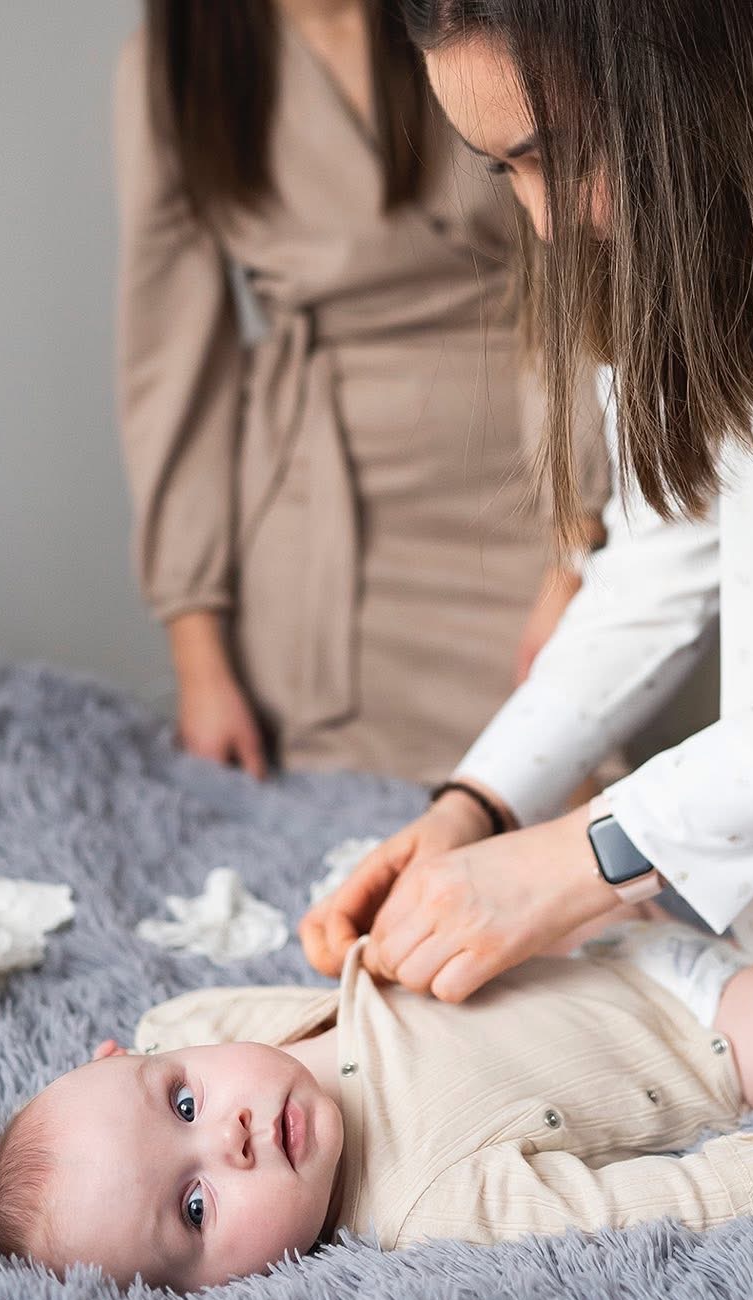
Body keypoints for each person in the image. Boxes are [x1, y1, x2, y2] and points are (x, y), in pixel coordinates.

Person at [300, 0, 753, 1001]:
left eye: (559, 152)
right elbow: (664, 543)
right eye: (507, 170)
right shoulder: (692, 193)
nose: (544, 225)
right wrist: (480, 804)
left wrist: (583, 861)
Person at [115, 0, 608, 783]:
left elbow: (574, 276)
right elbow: (173, 369)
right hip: (325, 542)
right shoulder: (172, 71)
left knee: (565, 816)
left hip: (528, 495)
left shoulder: (476, 22)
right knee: (344, 857)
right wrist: (199, 660)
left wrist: (573, 550)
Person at [0, 921, 753, 1289]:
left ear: (143, 1048)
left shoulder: (205, 1021)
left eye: (181, 1100)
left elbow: (175, 1032)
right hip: (700, 1026)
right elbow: (610, 1209)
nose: (234, 1134)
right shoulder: (425, 1199)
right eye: (197, 1207)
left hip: (565, 925)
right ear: (215, 1290)